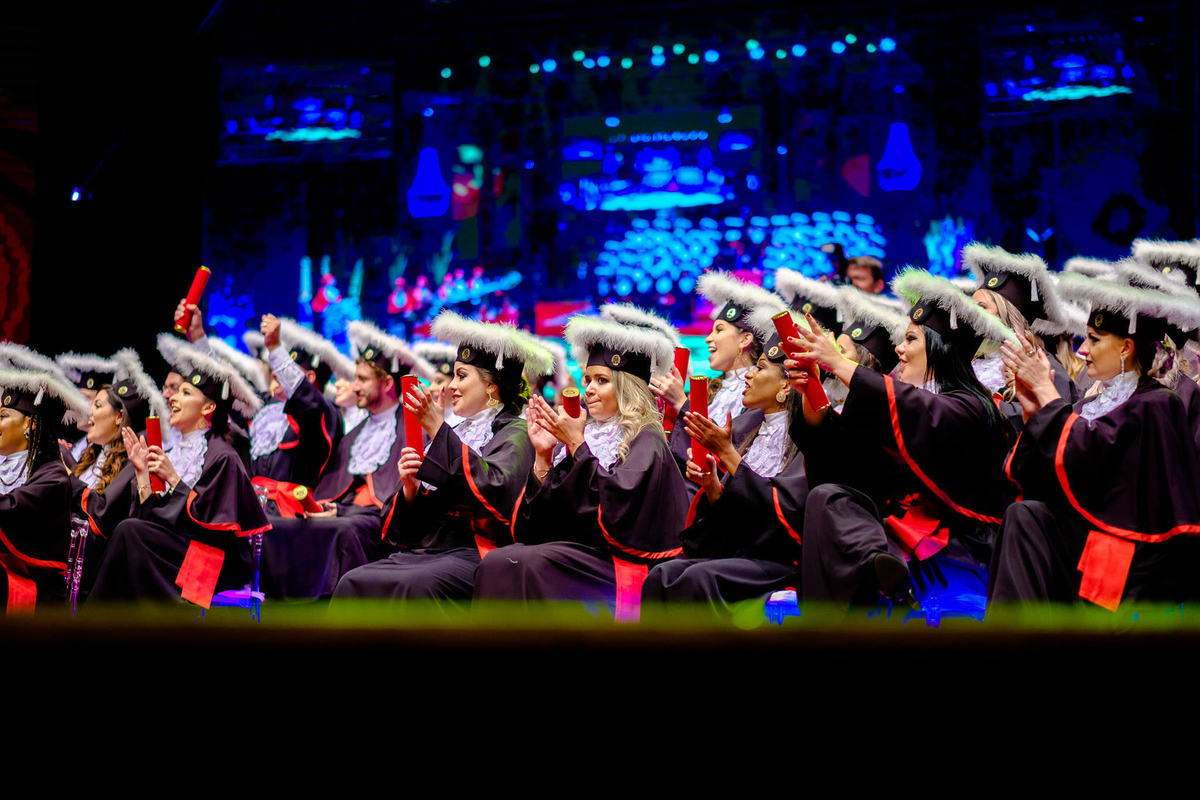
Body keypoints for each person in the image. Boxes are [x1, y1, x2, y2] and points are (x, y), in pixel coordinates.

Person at [788, 269, 1017, 609]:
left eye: (911, 339)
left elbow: (921, 410)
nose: (899, 349)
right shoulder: (909, 402)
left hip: (960, 544)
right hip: (894, 536)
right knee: (829, 497)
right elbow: (848, 457)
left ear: (943, 348)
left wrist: (838, 363)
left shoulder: (975, 406)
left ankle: (879, 578)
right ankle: (876, 572)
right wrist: (811, 391)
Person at [990, 275, 1200, 609]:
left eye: (1094, 339)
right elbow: (1042, 477)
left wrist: (1046, 392)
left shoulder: (1159, 404)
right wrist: (1032, 410)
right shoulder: (1086, 406)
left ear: (1126, 348)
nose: (1082, 350)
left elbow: (1094, 457)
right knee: (1024, 514)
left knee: (1027, 519)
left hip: (1128, 557)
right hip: (1080, 542)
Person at [475, 314, 687, 620]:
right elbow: (538, 523)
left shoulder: (646, 437)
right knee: (501, 561)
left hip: (615, 561)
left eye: (602, 380)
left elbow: (617, 510)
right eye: (588, 380)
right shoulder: (584, 432)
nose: (588, 389)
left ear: (627, 387)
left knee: (526, 564)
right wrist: (544, 456)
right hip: (570, 550)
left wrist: (577, 445)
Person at [333, 312, 549, 602]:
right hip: (429, 550)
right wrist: (410, 489)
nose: (451, 386)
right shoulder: (455, 431)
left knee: (415, 586)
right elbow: (408, 524)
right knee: (353, 581)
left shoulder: (516, 431)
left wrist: (437, 428)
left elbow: (496, 490)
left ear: (491, 386)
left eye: (461, 376)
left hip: (476, 552)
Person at [641, 312, 807, 611]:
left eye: (761, 368)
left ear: (786, 386)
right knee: (662, 574)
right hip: (739, 547)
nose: (750, 375)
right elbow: (734, 510)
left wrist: (727, 452)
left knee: (698, 578)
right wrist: (712, 485)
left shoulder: (804, 438)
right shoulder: (749, 427)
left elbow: (783, 511)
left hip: (778, 556)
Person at [258, 320, 436, 598]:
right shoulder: (354, 433)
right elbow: (338, 487)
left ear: (388, 383)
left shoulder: (413, 429)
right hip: (347, 513)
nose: (355, 387)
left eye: (362, 380)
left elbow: (396, 499)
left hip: (381, 520)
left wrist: (341, 512)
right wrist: (332, 507)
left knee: (345, 528)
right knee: (294, 525)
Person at [87, 345, 270, 605]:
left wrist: (174, 480)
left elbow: (211, 530)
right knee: (128, 531)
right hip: (175, 547)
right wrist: (142, 474)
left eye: (185, 393)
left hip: (210, 559)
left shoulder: (223, 457)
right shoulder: (174, 451)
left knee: (130, 533)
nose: (172, 398)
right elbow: (155, 518)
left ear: (208, 407)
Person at [654, 271, 785, 486]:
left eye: (719, 330)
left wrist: (680, 403)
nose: (708, 338)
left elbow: (728, 447)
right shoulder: (712, 387)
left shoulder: (761, 392)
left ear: (745, 339)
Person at [69, 349, 168, 596]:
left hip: (97, 569)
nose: (89, 413)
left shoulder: (131, 465)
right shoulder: (91, 455)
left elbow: (100, 515)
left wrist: (63, 475)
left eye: (97, 405)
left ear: (118, 417)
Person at [0, 361, 89, 610]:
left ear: (30, 424)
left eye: (3, 416)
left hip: (32, 586)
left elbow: (12, 509)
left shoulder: (53, 476)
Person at [963, 243, 1080, 425]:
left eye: (982, 308)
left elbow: (1049, 424)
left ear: (1008, 317)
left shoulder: (1046, 368)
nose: (971, 316)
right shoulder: (968, 363)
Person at [248, 315, 350, 498]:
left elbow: (308, 400)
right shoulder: (268, 406)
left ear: (309, 378)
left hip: (292, 507)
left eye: (285, 369)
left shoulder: (324, 412)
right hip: (252, 504)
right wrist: (199, 339)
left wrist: (276, 349)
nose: (275, 374)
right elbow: (225, 396)